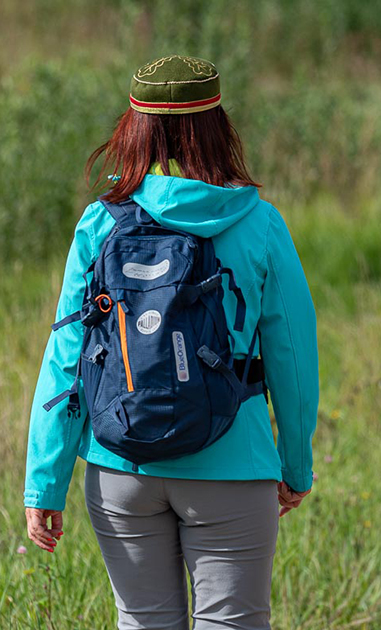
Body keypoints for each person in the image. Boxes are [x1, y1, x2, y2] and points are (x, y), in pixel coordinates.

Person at [23, 55, 319, 630]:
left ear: (133, 127)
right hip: (234, 463)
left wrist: (45, 482)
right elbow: (294, 359)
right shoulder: (259, 223)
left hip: (120, 464)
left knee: (144, 621)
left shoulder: (98, 224)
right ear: (217, 126)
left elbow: (67, 358)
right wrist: (296, 465)